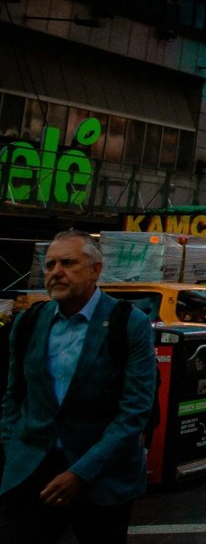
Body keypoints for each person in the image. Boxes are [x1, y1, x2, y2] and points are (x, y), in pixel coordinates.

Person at [1, 230, 157, 544]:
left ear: (95, 270)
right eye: (50, 265)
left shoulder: (129, 323)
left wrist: (80, 473)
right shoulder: (29, 322)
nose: (56, 272)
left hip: (103, 478)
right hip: (31, 470)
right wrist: (13, 447)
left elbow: (135, 412)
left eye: (68, 263)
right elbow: (13, 395)